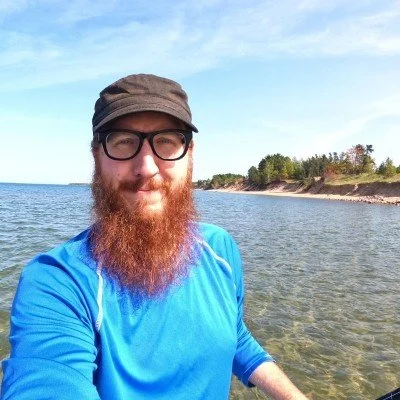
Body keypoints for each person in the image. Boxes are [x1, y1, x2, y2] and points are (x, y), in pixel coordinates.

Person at [1, 74, 307, 400]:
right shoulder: (58, 282)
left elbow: (236, 336)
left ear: (189, 154)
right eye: (123, 141)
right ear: (97, 155)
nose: (146, 167)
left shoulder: (220, 249)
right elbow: (46, 380)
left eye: (166, 141)